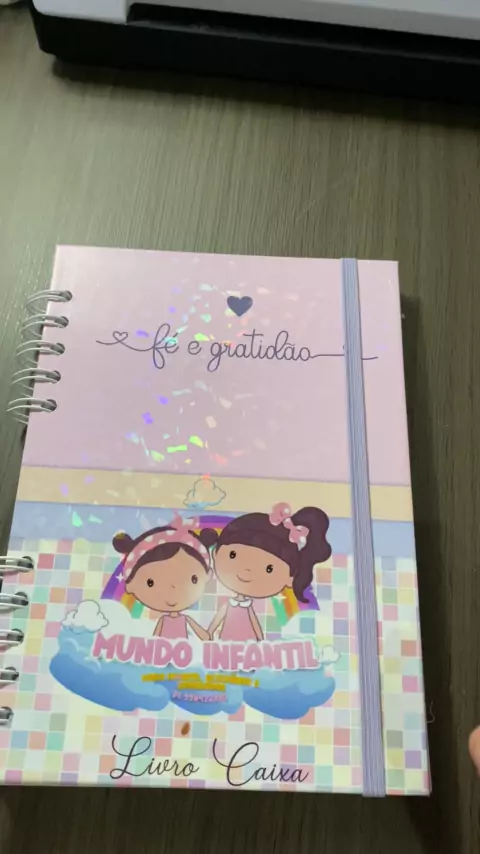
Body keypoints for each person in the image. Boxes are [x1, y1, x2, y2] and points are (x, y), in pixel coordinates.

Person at [208, 502, 331, 641]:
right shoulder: (228, 605)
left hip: (249, 645)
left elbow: (254, 624)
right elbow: (216, 622)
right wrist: (209, 634)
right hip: (225, 643)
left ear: (290, 578)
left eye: (269, 569)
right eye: (233, 555)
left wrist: (261, 641)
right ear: (215, 553)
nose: (247, 571)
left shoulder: (247, 607)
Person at [113, 516, 217, 639]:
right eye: (150, 583)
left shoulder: (186, 619)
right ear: (131, 585)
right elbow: (155, 639)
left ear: (207, 576)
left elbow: (204, 636)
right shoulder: (163, 620)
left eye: (192, 579)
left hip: (184, 649)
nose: (172, 589)